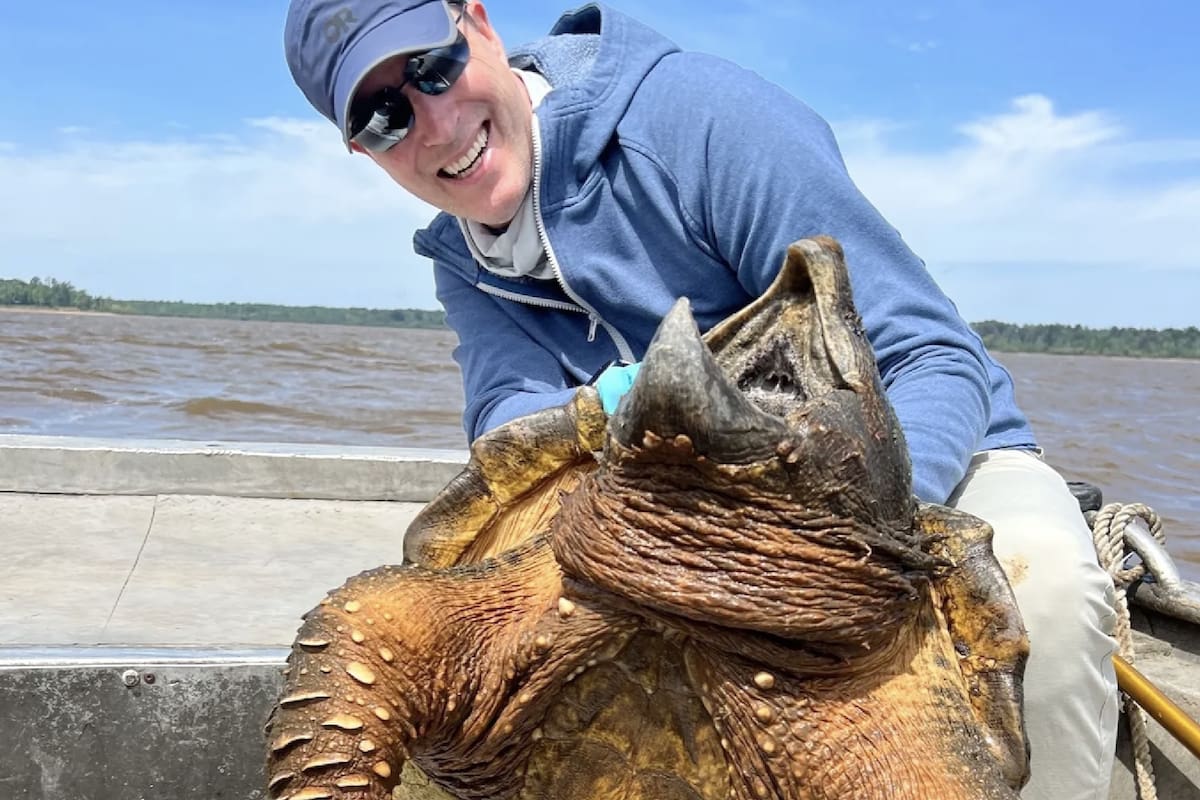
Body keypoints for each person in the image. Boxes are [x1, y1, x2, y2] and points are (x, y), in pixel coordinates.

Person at [283, 1, 1119, 797]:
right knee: (384, 622)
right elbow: (509, 428)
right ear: (362, 150)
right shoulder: (462, 259)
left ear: (483, 27)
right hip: (642, 529)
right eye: (383, 117)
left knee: (1042, 584)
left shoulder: (699, 120)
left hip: (901, 472)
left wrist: (863, 535)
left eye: (433, 66)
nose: (430, 122)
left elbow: (930, 353)